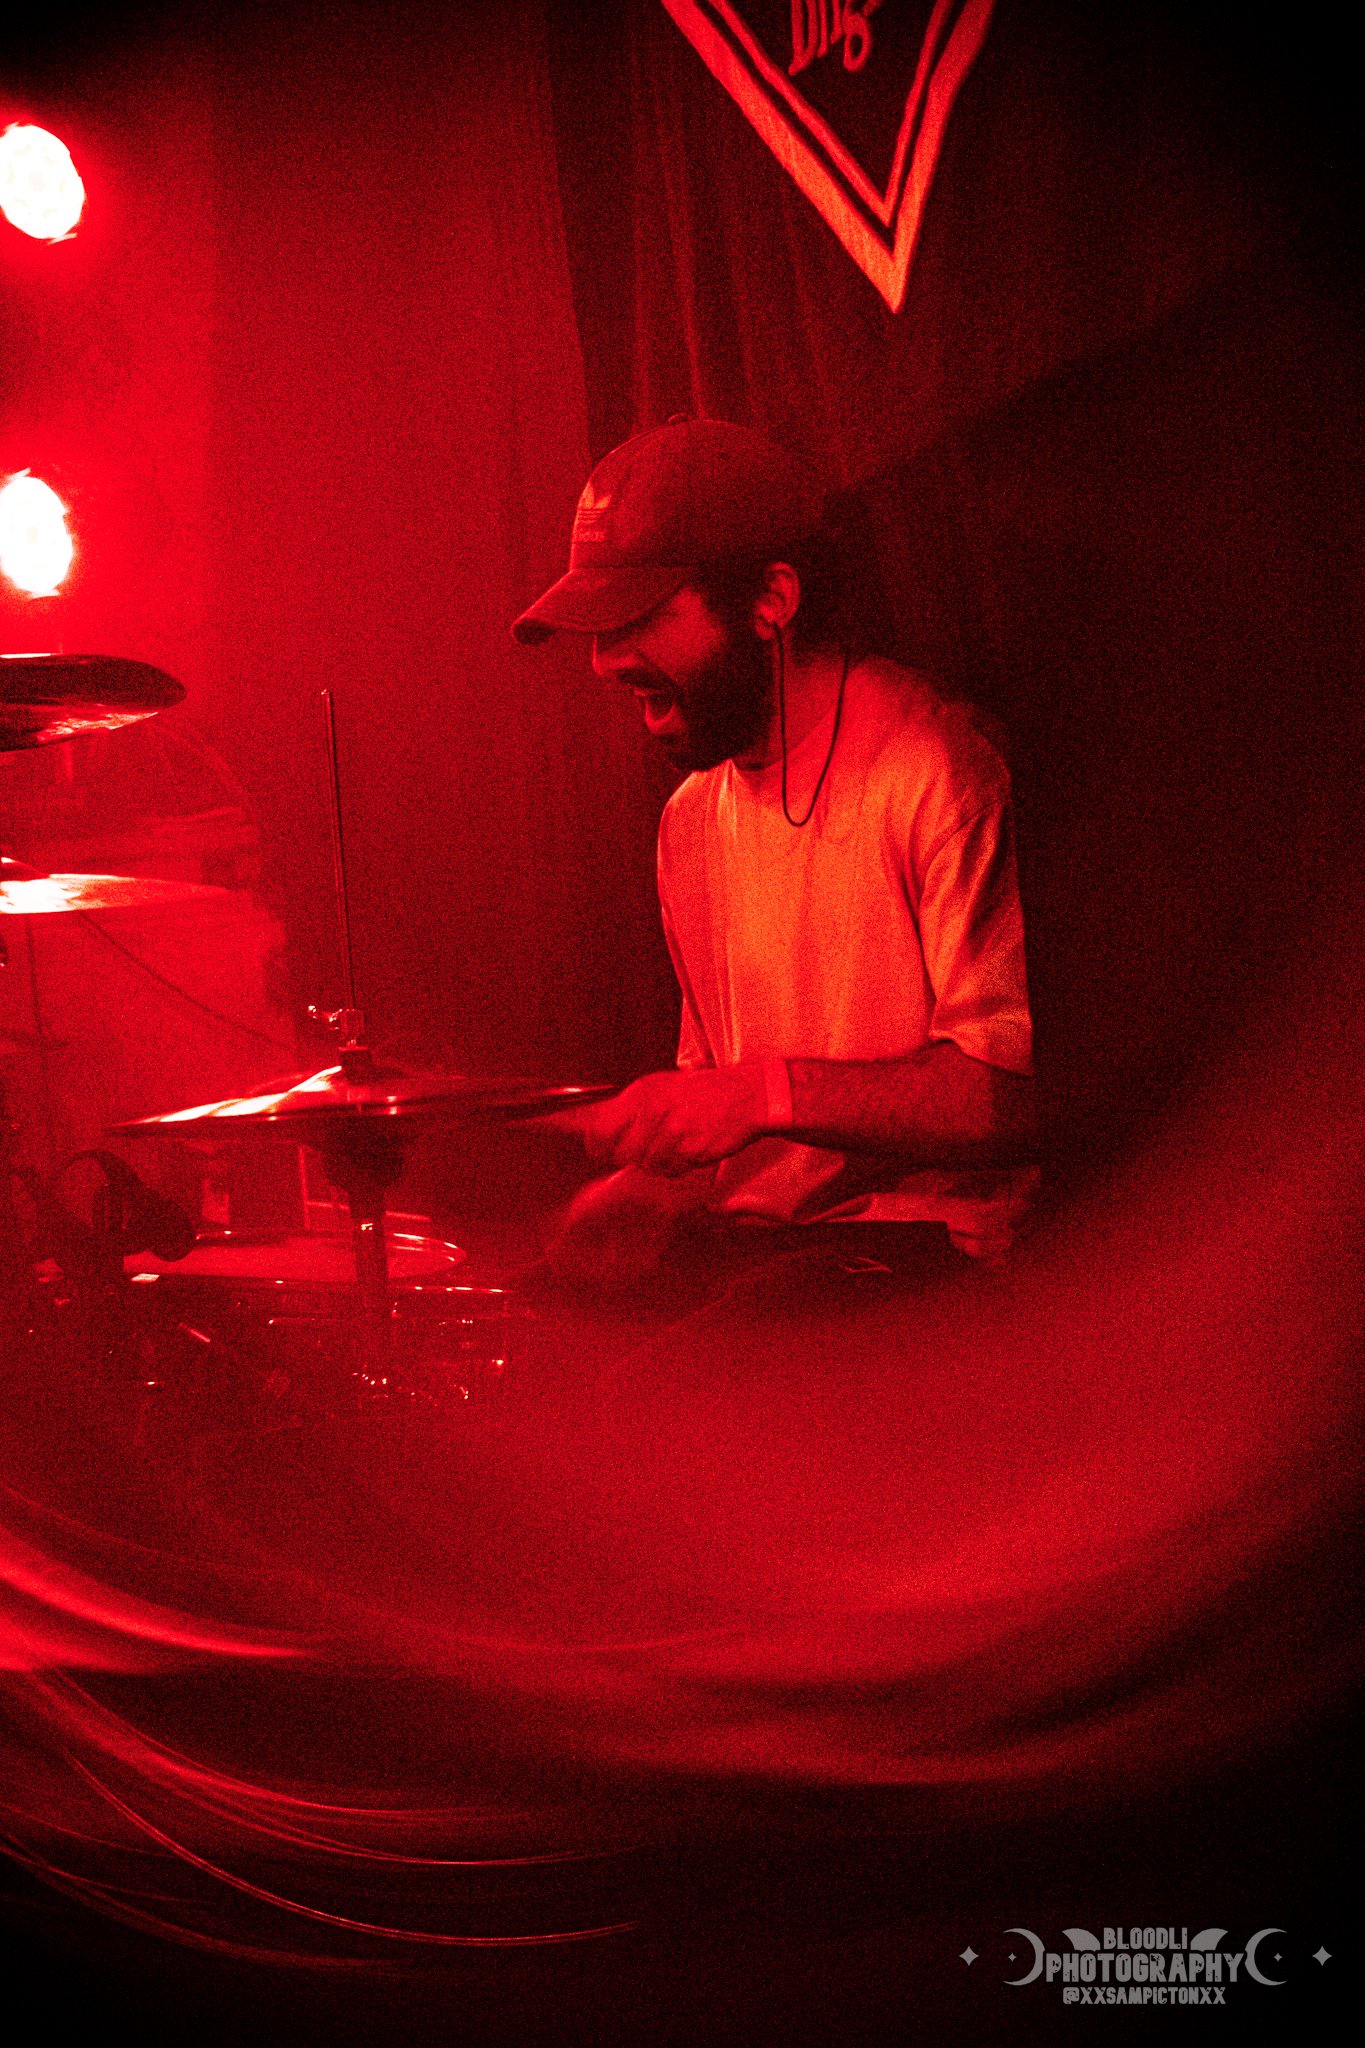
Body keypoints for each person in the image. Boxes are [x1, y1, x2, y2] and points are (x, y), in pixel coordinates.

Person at [514, 418, 1036, 1286]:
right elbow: (726, 1121)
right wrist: (649, 1185)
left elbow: (1008, 1092)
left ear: (771, 600)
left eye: (636, 616)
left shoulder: (936, 767)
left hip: (925, 1262)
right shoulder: (689, 819)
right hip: (759, 1248)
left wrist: (762, 1095)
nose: (604, 660)